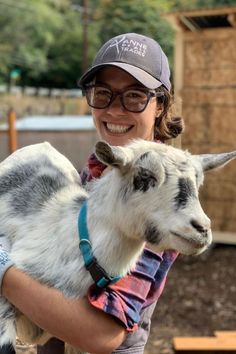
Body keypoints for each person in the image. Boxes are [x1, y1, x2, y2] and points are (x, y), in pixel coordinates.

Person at [0, 33, 184, 354]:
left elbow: (101, 335)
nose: (114, 111)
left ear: (160, 105)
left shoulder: (158, 195)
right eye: (103, 94)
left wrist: (3, 270)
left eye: (135, 96)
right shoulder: (98, 172)